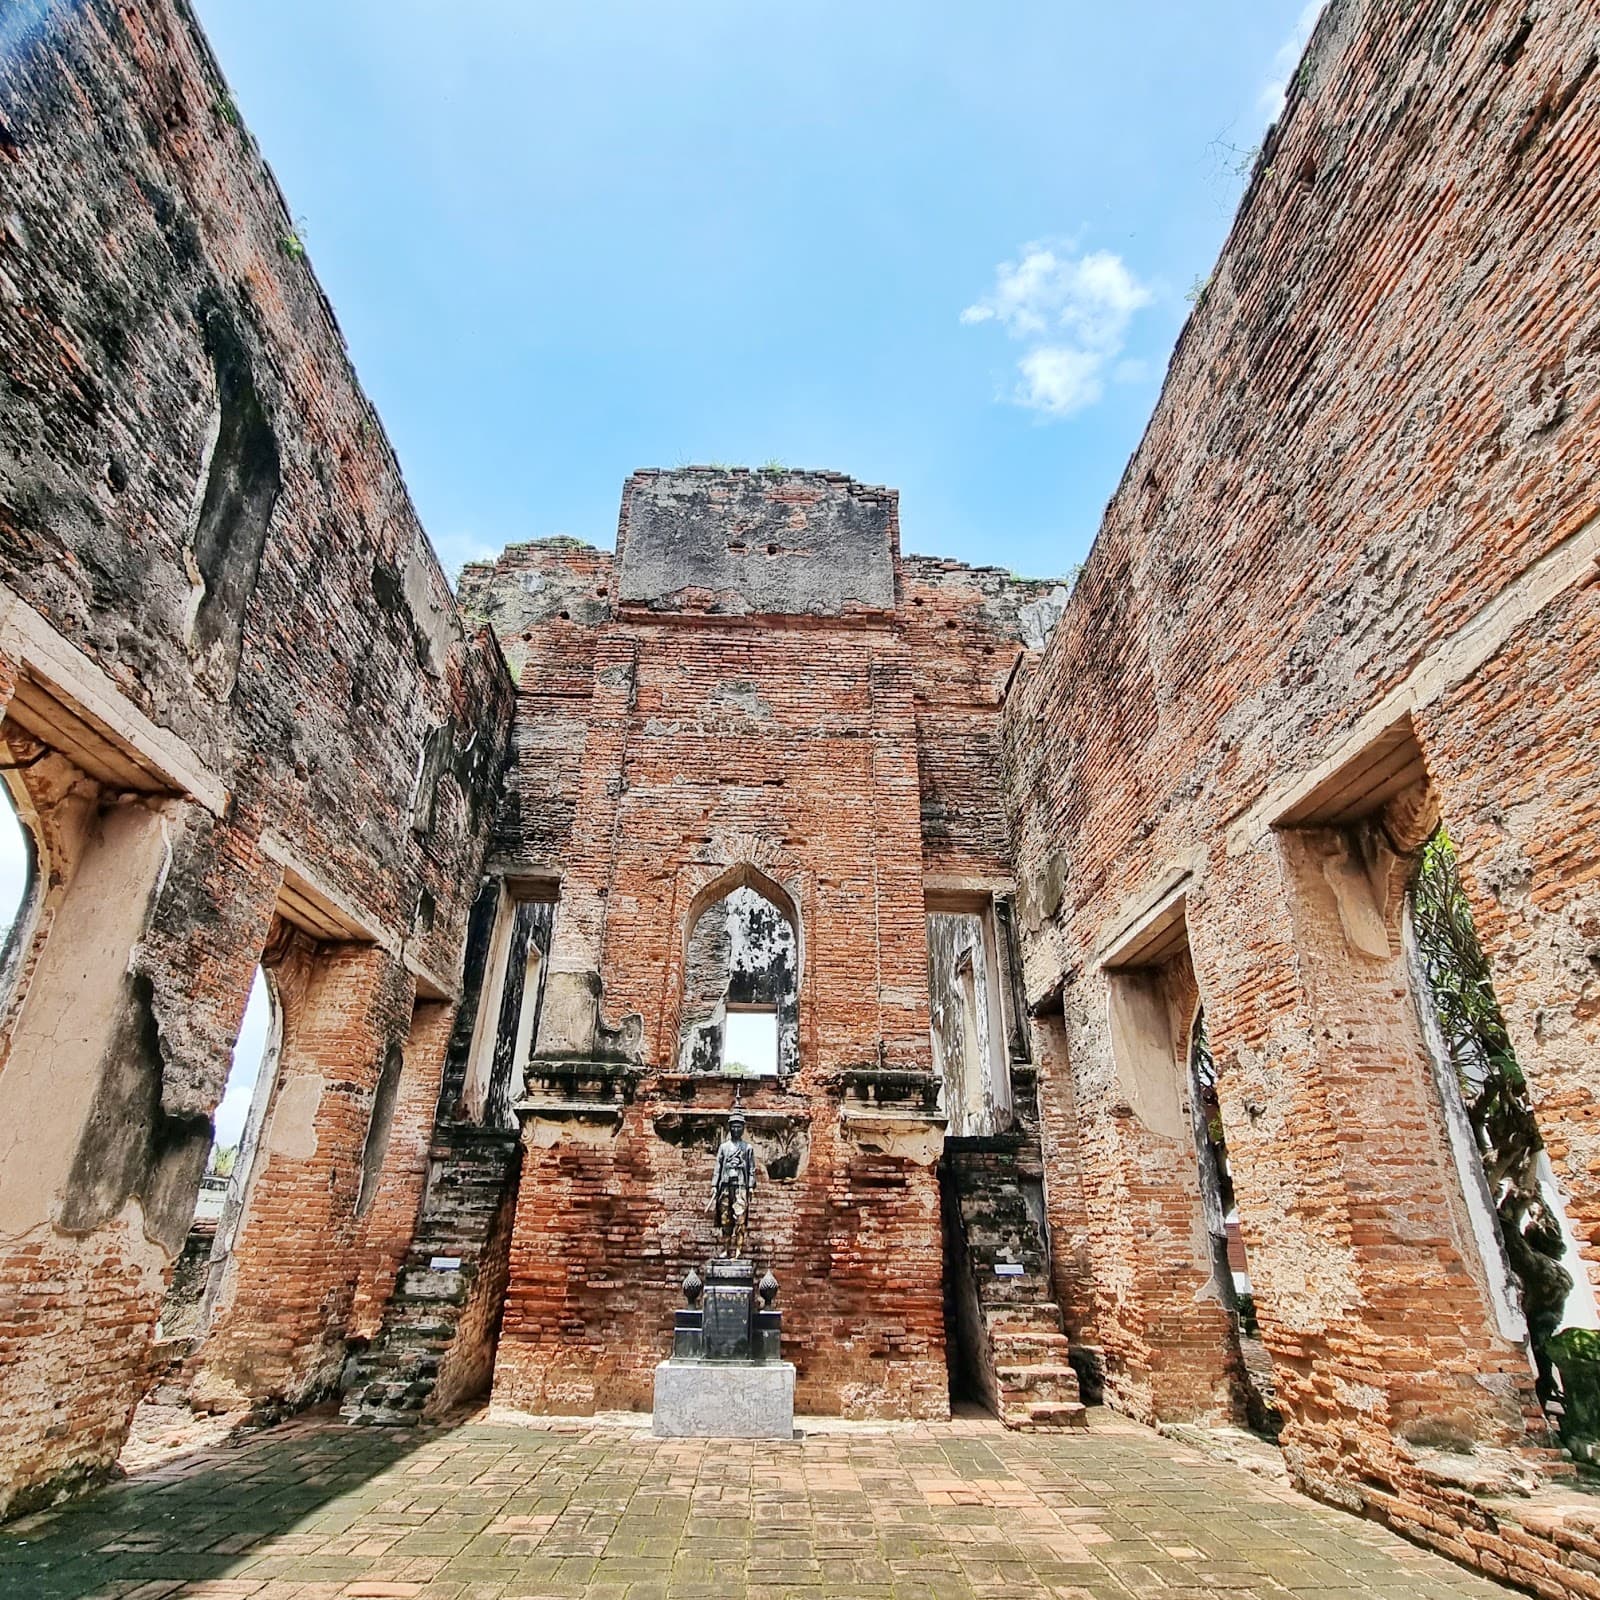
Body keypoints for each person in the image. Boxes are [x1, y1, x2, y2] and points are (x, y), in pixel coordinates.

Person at [710, 1112, 756, 1257]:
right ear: (730, 1128)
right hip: (725, 1186)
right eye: (734, 1126)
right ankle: (725, 1248)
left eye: (739, 1127)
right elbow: (718, 1167)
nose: (736, 1129)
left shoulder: (747, 1148)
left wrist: (750, 1186)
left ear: (743, 1128)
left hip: (740, 1186)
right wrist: (714, 1185)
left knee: (740, 1218)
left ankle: (738, 1250)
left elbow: (752, 1169)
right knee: (725, 1218)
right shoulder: (724, 1147)